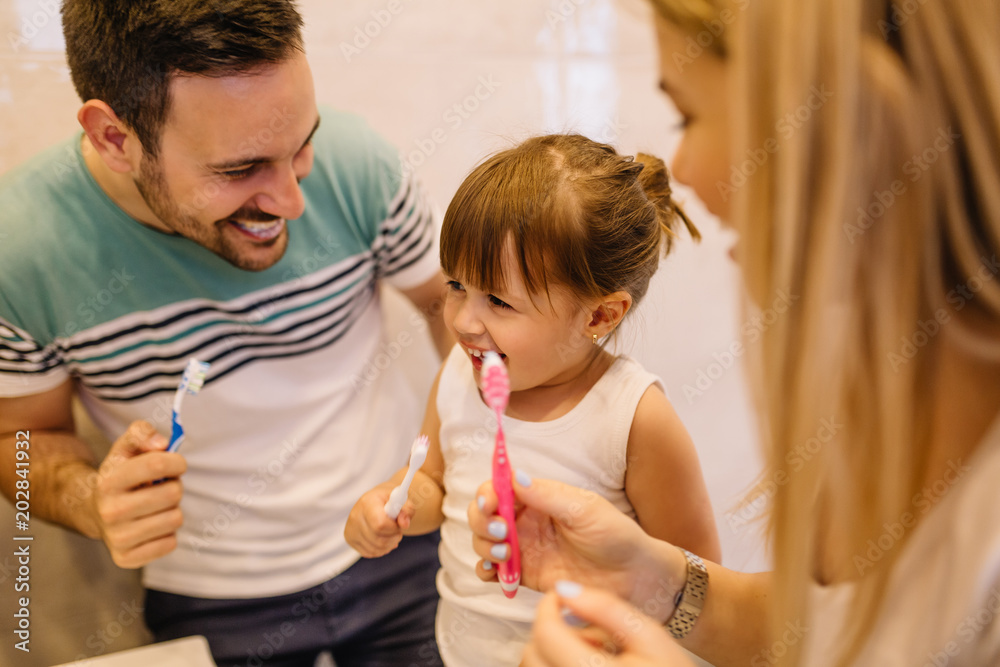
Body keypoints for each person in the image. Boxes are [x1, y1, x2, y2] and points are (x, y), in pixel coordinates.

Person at [469, 0, 1000, 665]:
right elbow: (842, 623)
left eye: (688, 115)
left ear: (854, 123)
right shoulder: (898, 407)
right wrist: (653, 582)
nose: (681, 169)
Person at [0, 1, 453, 665]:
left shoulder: (359, 166)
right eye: (241, 169)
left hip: (401, 541)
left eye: (301, 146)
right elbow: (18, 440)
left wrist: (450, 467)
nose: (293, 201)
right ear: (114, 138)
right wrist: (86, 498)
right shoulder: (22, 251)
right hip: (215, 600)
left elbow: (451, 307)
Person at [345, 134, 721, 666]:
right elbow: (432, 481)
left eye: (498, 301)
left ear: (598, 316)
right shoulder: (459, 374)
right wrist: (393, 501)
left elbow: (696, 577)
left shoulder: (632, 417)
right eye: (456, 286)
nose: (463, 322)